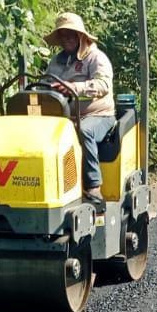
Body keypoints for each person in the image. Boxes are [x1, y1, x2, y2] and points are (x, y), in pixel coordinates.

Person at [42, 12, 115, 203]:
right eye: (63, 35)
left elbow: (103, 85)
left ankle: (93, 186)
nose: (67, 39)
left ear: (80, 36)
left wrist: (73, 88)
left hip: (98, 115)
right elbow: (46, 83)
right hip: (64, 116)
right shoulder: (56, 62)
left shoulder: (96, 58)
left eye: (71, 34)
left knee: (84, 130)